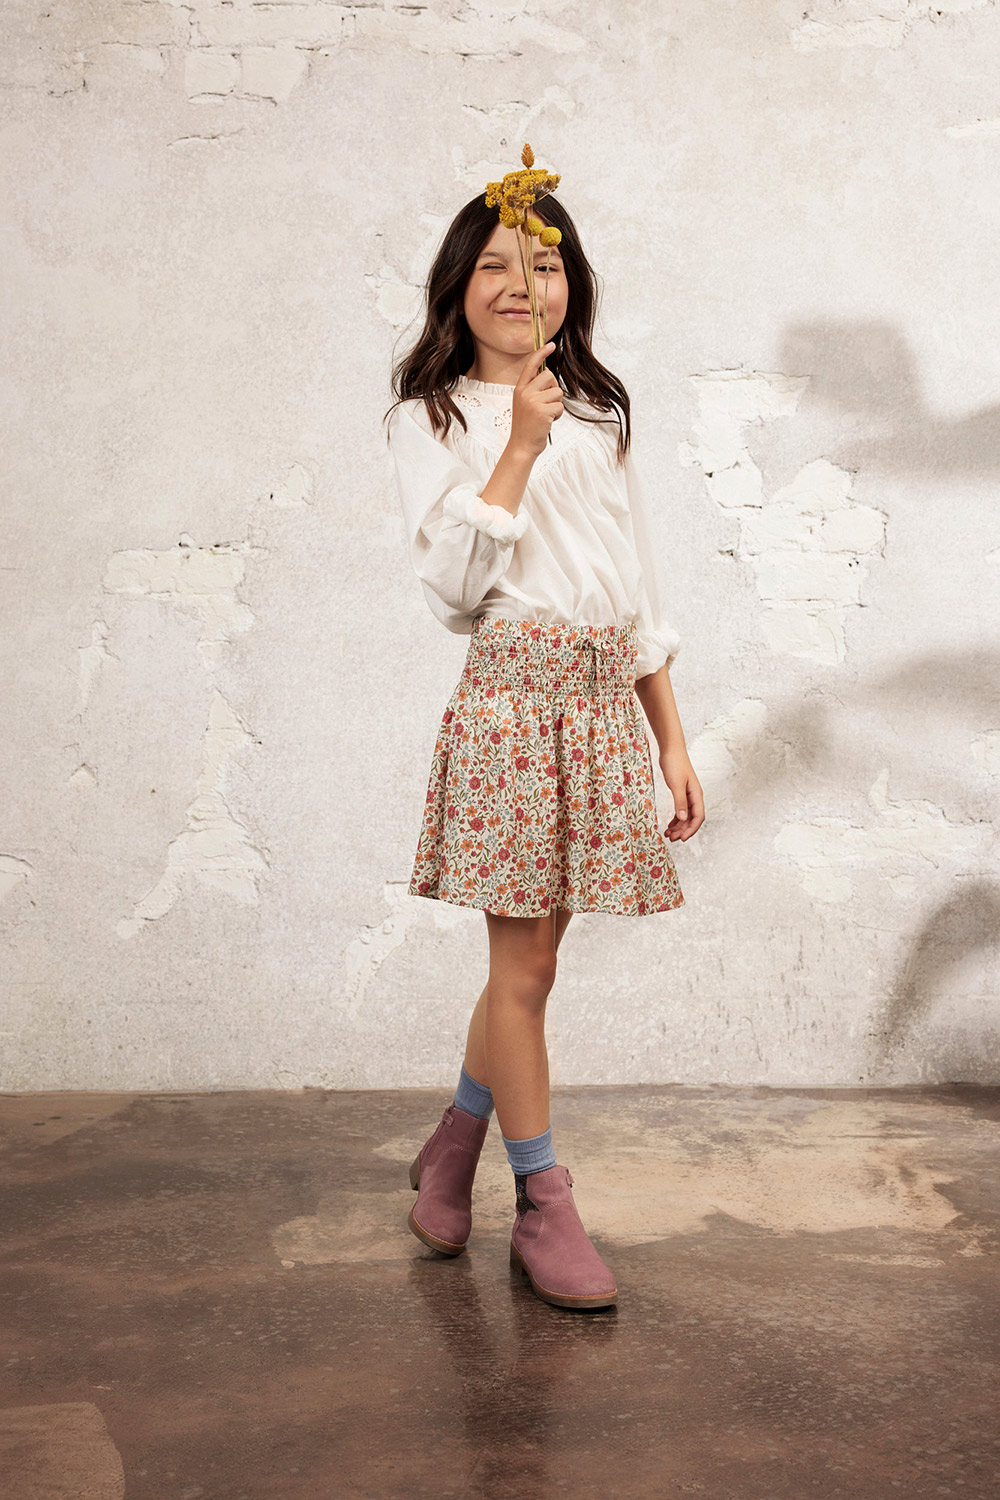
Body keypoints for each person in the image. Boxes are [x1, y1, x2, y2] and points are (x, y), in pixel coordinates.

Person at [383, 189, 705, 1311]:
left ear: (574, 287)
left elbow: (636, 590)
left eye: (546, 266)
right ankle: (543, 1204)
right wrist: (518, 445)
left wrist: (670, 739)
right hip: (513, 707)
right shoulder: (431, 419)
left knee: (533, 969)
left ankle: (452, 1148)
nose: (522, 286)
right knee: (521, 972)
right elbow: (451, 590)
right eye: (495, 267)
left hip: (602, 705)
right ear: (458, 287)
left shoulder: (603, 417)